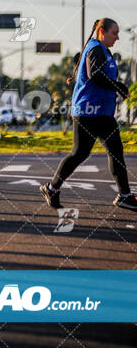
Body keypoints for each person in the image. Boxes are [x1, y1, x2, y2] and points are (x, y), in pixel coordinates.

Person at [40, 18, 137, 212]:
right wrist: (118, 86)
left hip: (100, 113)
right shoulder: (95, 49)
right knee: (80, 153)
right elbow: (96, 74)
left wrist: (117, 88)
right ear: (102, 32)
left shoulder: (103, 50)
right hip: (88, 113)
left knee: (115, 151)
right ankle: (52, 188)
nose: (118, 37)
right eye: (114, 33)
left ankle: (124, 196)